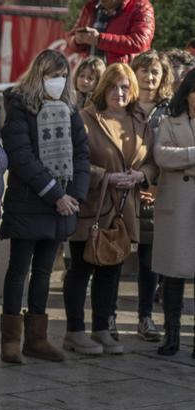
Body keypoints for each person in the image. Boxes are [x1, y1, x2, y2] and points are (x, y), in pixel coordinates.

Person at [0, 50, 90, 364]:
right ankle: (10, 340)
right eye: (52, 75)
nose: (58, 82)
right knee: (18, 271)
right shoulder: (19, 106)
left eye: (62, 75)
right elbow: (21, 157)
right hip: (30, 203)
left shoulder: (70, 108)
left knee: (43, 272)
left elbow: (82, 154)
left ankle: (36, 338)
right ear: (39, 75)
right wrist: (56, 194)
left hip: (61, 206)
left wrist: (74, 195)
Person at [62, 63, 155, 355]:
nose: (119, 92)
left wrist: (141, 176)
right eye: (114, 86)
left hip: (124, 210)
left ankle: (102, 329)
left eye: (125, 87)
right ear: (104, 88)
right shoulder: (86, 118)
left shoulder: (140, 121)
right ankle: (75, 332)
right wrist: (105, 176)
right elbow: (73, 163)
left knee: (112, 269)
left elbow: (152, 160)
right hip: (92, 205)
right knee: (82, 268)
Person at [130, 50, 173, 342]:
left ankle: (145, 317)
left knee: (149, 258)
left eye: (155, 71)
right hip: (121, 187)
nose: (149, 76)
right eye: (144, 70)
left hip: (154, 191)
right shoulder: (123, 103)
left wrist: (156, 185)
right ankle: (105, 317)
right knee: (113, 254)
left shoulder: (170, 110)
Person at [151, 69, 195, 355]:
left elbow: (173, 157)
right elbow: (162, 156)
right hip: (176, 207)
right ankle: (171, 336)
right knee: (172, 275)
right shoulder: (168, 121)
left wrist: (183, 158)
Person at [67, 0, 155, 65]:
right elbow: (70, 39)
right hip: (92, 76)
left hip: (122, 78)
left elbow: (140, 42)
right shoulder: (91, 6)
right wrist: (77, 40)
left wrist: (99, 39)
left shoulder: (141, 6)